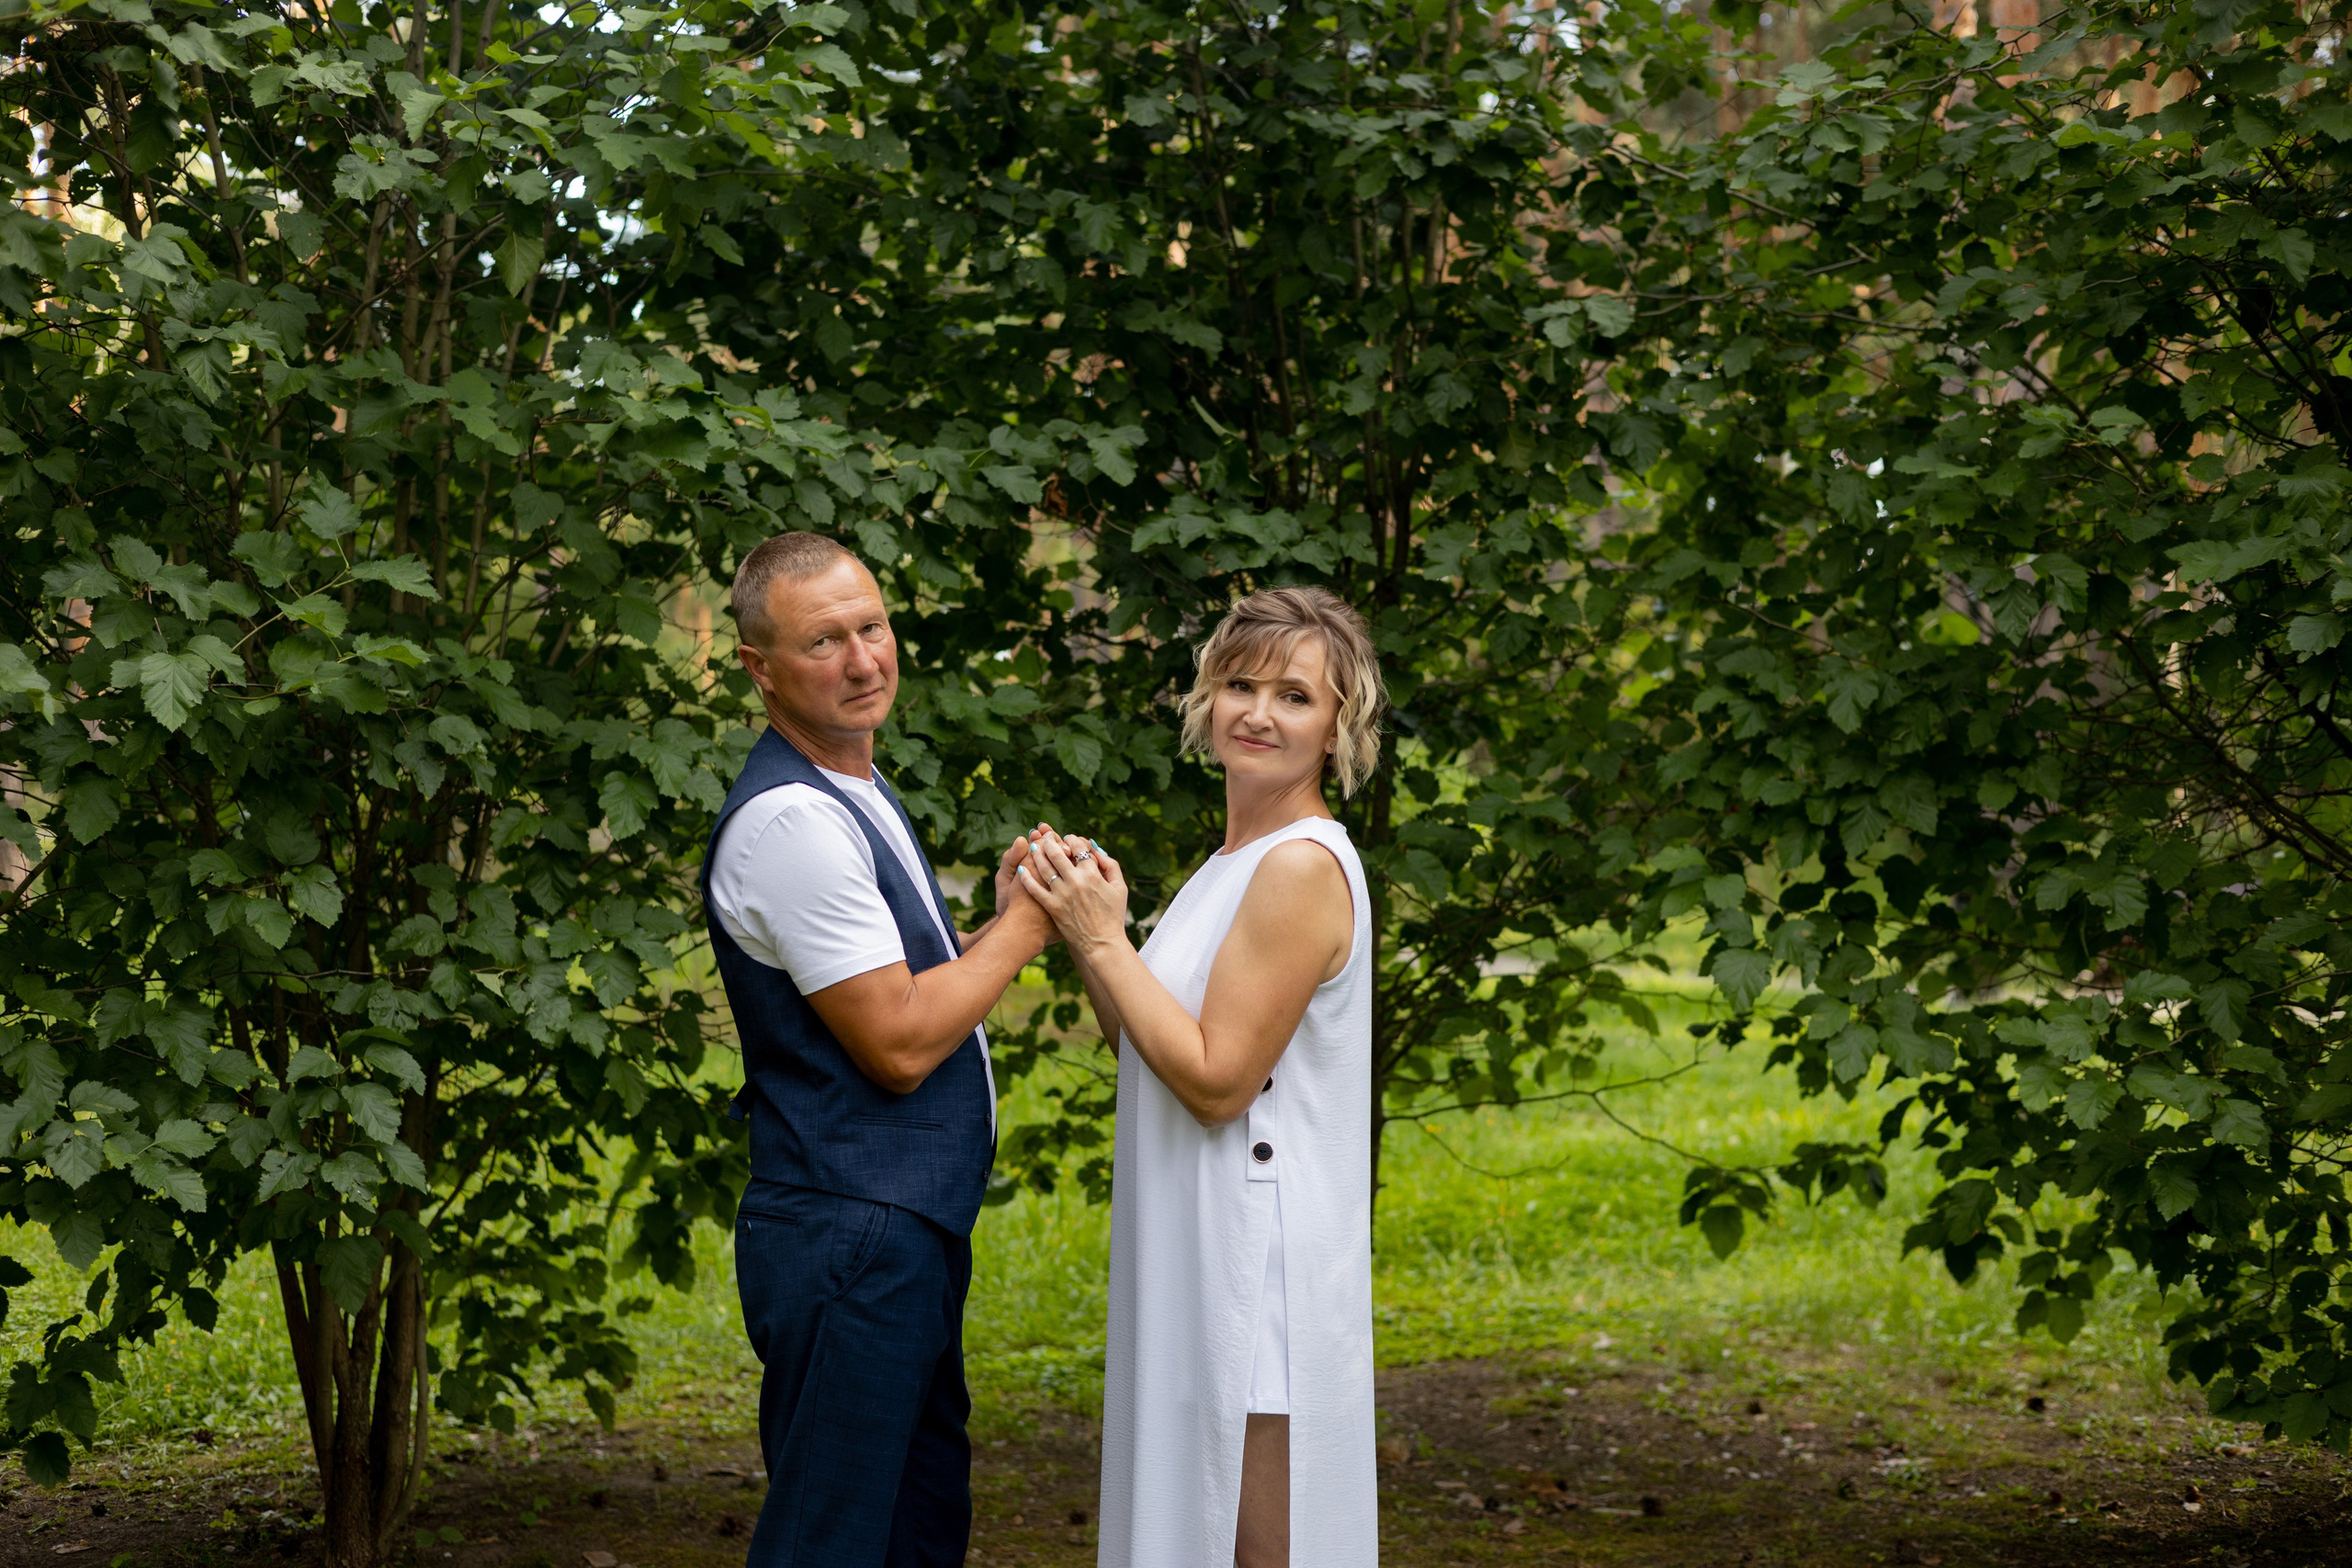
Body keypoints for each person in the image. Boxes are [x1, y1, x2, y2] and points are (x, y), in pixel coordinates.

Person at [704, 531, 1054, 1566]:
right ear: (759, 670)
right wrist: (1038, 924)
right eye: (824, 642)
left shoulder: (850, 790)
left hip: (897, 1224)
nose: (863, 660)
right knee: (835, 1540)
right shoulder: (791, 824)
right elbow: (898, 1046)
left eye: (872, 626)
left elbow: (918, 997)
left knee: (914, 1527)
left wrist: (991, 929)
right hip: (853, 1234)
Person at [1017, 586, 1386, 1568]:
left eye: (1296, 697)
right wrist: (1087, 929)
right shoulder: (1228, 863)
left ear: (1338, 726)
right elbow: (1149, 1044)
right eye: (1239, 684)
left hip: (1254, 1267)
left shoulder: (1299, 867)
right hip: (1191, 1240)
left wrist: (1105, 940)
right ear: (1205, 700)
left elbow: (1219, 1084)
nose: (1259, 713)